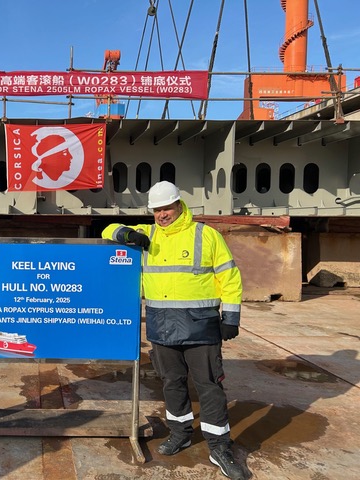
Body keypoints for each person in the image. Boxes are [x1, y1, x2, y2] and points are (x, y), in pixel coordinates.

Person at [102, 181, 246, 480]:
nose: (162, 214)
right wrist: (125, 234)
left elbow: (229, 276)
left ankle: (219, 446)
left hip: (201, 326)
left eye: (166, 207)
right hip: (162, 324)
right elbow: (107, 229)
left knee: (209, 385)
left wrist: (230, 317)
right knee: (172, 383)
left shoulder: (206, 235)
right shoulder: (148, 235)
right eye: (156, 210)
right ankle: (179, 433)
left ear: (180, 204)